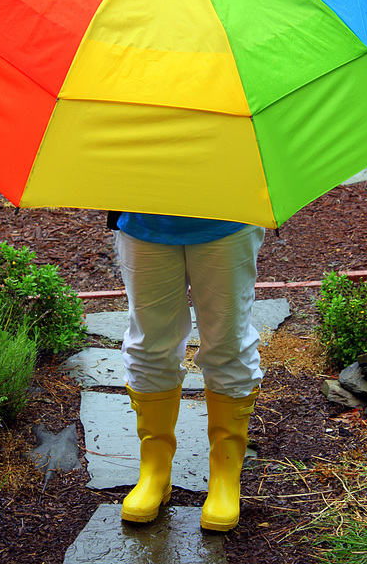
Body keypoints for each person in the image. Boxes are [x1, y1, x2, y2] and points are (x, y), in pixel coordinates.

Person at [112, 211, 265, 532]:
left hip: (227, 218)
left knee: (229, 344)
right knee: (148, 346)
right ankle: (154, 471)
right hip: (143, 218)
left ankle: (225, 476)